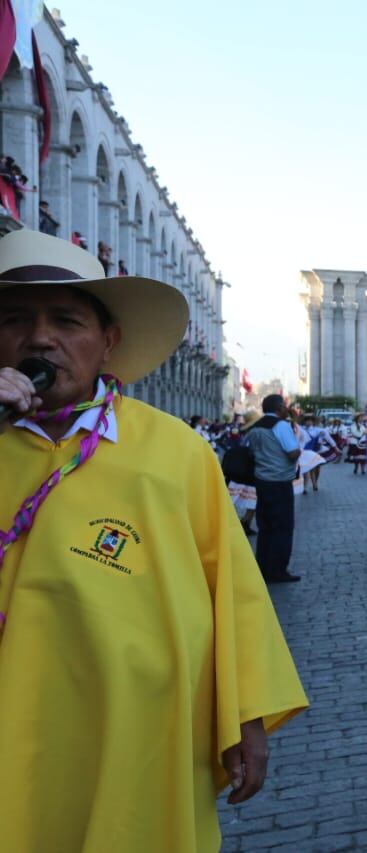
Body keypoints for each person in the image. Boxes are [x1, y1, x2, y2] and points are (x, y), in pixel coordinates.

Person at [0, 228, 307, 851]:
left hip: (144, 737)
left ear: (108, 341)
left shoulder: (177, 451)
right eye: (14, 320)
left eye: (66, 320)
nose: (40, 338)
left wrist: (245, 716)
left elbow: (233, 592)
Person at [246, 394, 302, 583]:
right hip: (279, 481)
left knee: (266, 527)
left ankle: (263, 567)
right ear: (279, 408)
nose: (287, 409)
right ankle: (278, 570)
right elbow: (292, 452)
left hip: (262, 480)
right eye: (284, 406)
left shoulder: (255, 427)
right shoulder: (281, 426)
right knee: (282, 527)